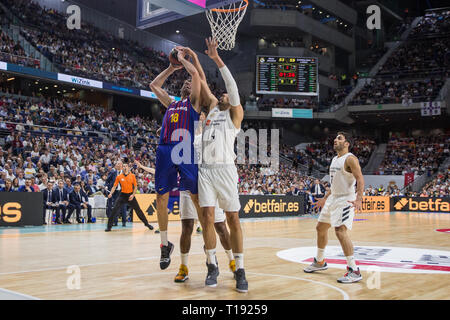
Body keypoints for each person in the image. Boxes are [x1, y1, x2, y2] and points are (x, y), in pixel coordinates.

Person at [187, 38, 248, 292]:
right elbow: (200, 78)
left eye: (224, 95)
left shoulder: (234, 115)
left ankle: (240, 268)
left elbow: (231, 86)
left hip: (225, 170)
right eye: (220, 94)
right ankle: (212, 264)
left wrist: (217, 58)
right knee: (208, 219)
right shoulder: (212, 109)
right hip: (206, 171)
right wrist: (192, 58)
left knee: (233, 219)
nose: (222, 95)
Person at [150, 47, 203, 270]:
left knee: (196, 197)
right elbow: (154, 86)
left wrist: (183, 58)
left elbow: (196, 75)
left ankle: (208, 241)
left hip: (186, 150)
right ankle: (164, 245)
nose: (188, 84)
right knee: (160, 197)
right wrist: (172, 67)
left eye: (191, 84)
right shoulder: (171, 103)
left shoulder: (195, 105)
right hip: (165, 149)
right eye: (186, 84)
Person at [303, 132, 365, 283]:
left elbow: (360, 179)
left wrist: (359, 198)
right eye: (336, 138)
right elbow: (334, 183)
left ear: (347, 143)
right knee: (321, 227)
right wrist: (325, 198)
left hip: (345, 199)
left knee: (340, 231)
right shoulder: (334, 159)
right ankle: (320, 262)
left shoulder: (350, 159)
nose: (335, 140)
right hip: (333, 198)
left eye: (340, 138)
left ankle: (354, 270)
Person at [105, 161, 154, 232]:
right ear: (122, 168)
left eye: (126, 166)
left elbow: (135, 187)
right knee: (114, 210)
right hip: (122, 195)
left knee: (138, 210)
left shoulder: (132, 176)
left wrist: (133, 195)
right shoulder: (119, 176)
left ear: (128, 168)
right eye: (123, 166)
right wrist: (111, 193)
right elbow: (114, 186)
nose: (125, 167)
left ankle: (147, 224)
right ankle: (109, 227)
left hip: (130, 195)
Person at [105, 161, 127, 227]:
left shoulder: (125, 173)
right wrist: (106, 186)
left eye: (120, 164)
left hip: (123, 192)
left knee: (123, 207)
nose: (119, 165)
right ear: (116, 165)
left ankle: (124, 222)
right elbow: (107, 180)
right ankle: (115, 222)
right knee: (115, 207)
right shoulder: (113, 172)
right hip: (115, 192)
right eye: (118, 164)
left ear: (122, 166)